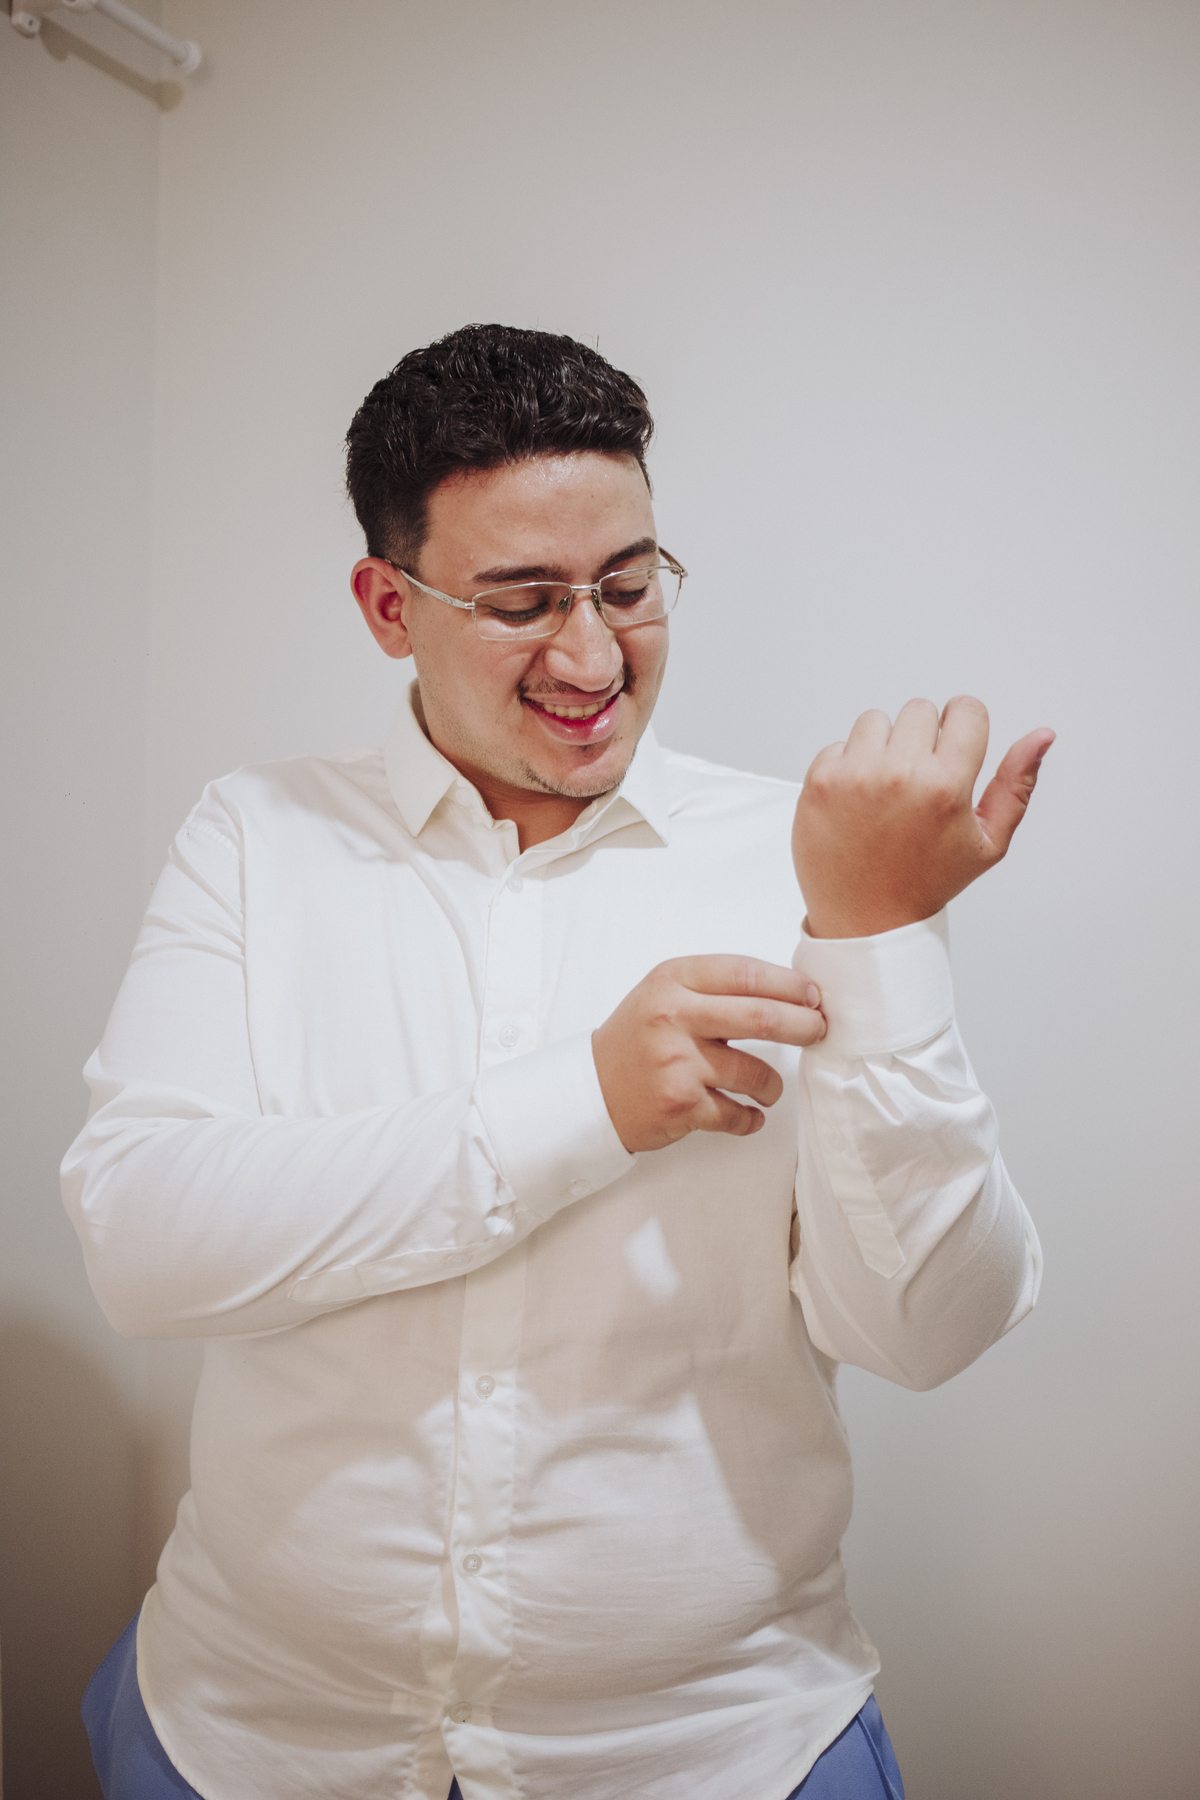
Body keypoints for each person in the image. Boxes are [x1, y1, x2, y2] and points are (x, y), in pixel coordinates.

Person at [64, 324, 1051, 1800]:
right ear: (387, 606)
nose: (592, 658)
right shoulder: (255, 839)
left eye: (629, 587)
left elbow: (926, 1331)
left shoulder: (811, 860)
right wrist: (585, 1102)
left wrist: (881, 938)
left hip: (717, 1752)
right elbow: (144, 1246)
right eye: (521, 602)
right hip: (245, 1736)